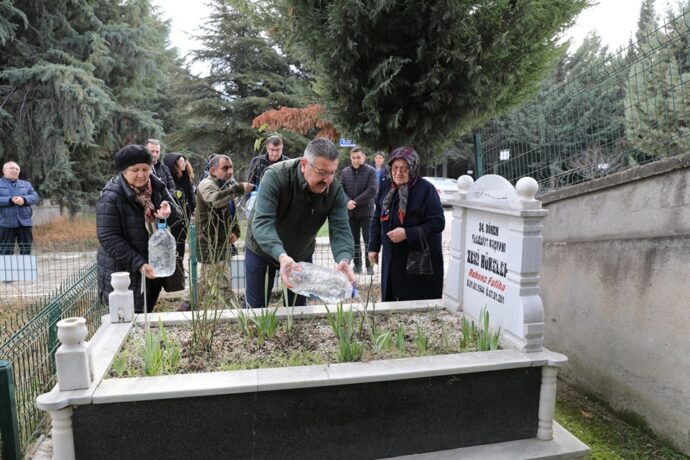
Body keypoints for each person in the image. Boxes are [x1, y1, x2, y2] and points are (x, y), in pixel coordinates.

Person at [244, 138, 355, 308]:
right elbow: (262, 223)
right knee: (256, 309)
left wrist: (344, 259)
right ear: (304, 164)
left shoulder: (334, 191)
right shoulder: (275, 176)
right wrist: (281, 255)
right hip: (262, 251)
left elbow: (340, 228)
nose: (327, 180)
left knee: (297, 310)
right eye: (321, 172)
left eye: (332, 172)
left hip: (300, 255)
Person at [96, 145, 181, 313]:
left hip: (151, 267)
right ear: (123, 171)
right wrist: (139, 263)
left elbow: (177, 216)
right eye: (135, 170)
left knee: (145, 314)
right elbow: (108, 237)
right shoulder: (111, 197)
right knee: (126, 319)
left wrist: (168, 212)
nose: (141, 175)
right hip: (124, 272)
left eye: (145, 169)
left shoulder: (157, 186)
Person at [368, 146, 445, 301]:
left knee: (414, 304)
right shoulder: (386, 187)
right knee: (391, 302)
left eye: (404, 168)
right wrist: (373, 247)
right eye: (395, 168)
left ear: (414, 168)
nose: (398, 173)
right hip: (392, 257)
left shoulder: (426, 190)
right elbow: (377, 217)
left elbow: (438, 222)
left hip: (417, 258)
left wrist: (407, 233)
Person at [195, 154, 253, 307]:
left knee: (204, 280)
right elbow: (215, 201)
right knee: (223, 283)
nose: (229, 171)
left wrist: (235, 231)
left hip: (222, 242)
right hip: (210, 242)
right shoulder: (206, 185)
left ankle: (187, 304)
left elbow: (231, 212)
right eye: (224, 168)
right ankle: (233, 312)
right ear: (213, 170)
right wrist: (239, 189)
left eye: (231, 167)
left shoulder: (226, 184)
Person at [162, 153, 196, 300]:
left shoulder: (186, 177)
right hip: (175, 217)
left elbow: (190, 196)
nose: (184, 163)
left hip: (186, 215)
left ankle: (179, 270)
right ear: (174, 165)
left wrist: (193, 208)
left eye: (184, 160)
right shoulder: (172, 181)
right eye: (180, 161)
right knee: (177, 244)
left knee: (181, 243)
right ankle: (176, 273)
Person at [341, 147, 377, 275]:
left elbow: (372, 190)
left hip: (366, 212)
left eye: (358, 157)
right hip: (351, 213)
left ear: (364, 158)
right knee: (354, 241)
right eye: (353, 158)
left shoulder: (371, 171)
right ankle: (357, 266)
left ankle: (370, 266)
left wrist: (354, 202)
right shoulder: (345, 172)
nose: (356, 160)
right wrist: (347, 201)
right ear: (350, 158)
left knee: (369, 240)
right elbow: (341, 189)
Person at [0, 161, 39, 255]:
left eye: (17, 169)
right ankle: (5, 270)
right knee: (5, 251)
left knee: (26, 249)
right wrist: (10, 201)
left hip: (25, 223)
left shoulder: (26, 184)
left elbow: (35, 197)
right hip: (5, 223)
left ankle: (25, 270)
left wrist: (24, 200)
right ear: (4, 170)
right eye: (12, 168)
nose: (15, 170)